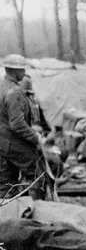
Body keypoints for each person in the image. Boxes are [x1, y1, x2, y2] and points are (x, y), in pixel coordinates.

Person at [0, 54, 42, 199]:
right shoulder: (14, 92)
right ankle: (37, 212)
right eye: (22, 70)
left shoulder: (1, 86)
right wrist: (35, 137)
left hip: (2, 143)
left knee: (5, 183)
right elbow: (17, 124)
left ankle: (9, 216)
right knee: (37, 174)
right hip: (13, 143)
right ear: (14, 71)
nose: (24, 73)